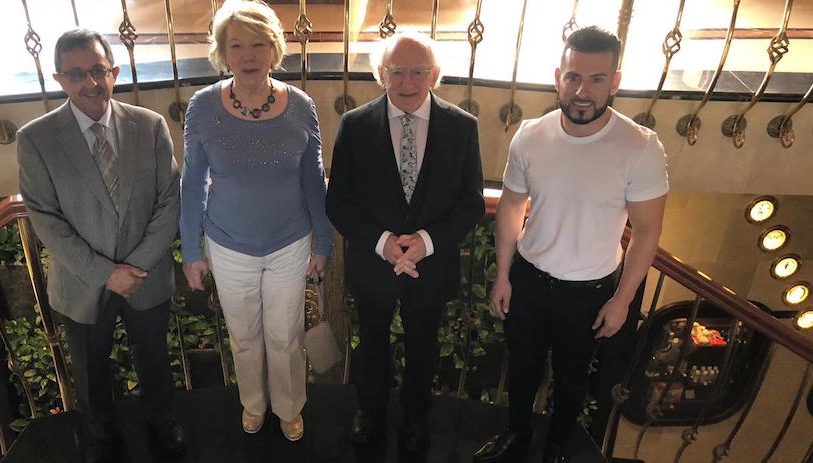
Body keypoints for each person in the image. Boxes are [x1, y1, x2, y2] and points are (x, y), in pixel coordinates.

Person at [473, 26, 668, 463]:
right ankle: (517, 438)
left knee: (573, 379)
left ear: (614, 82)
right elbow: (510, 208)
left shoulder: (640, 147)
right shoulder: (530, 135)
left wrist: (622, 300)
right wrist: (503, 275)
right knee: (521, 369)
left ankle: (557, 450)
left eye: (597, 79)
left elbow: (647, 233)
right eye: (574, 77)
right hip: (528, 277)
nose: (583, 91)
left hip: (589, 291)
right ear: (558, 76)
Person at [17, 28, 184, 463]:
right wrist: (106, 273)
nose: (90, 83)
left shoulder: (149, 126)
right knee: (90, 372)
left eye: (97, 70)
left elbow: (170, 201)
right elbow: (45, 218)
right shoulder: (35, 139)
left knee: (154, 359)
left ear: (114, 71)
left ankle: (161, 422)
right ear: (59, 80)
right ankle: (100, 436)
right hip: (81, 283)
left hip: (145, 278)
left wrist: (135, 267)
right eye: (76, 75)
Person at [179, 0, 333, 442]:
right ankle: (253, 404)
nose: (248, 55)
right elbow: (192, 184)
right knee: (244, 335)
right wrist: (191, 250)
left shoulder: (301, 106)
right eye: (237, 45)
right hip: (228, 245)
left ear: (274, 50)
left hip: (289, 242)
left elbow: (313, 180)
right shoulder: (202, 107)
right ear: (223, 52)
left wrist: (323, 243)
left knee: (285, 336)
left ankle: (288, 408)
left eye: (259, 44)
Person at [325, 32, 485, 453]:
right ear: (382, 74)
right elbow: (338, 202)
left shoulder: (462, 127)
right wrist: (384, 243)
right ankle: (370, 414)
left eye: (418, 71)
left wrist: (425, 242)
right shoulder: (355, 125)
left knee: (423, 348)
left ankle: (416, 418)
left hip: (430, 266)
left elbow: (471, 203)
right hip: (374, 265)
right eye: (398, 71)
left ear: (434, 74)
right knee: (372, 345)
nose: (407, 82)